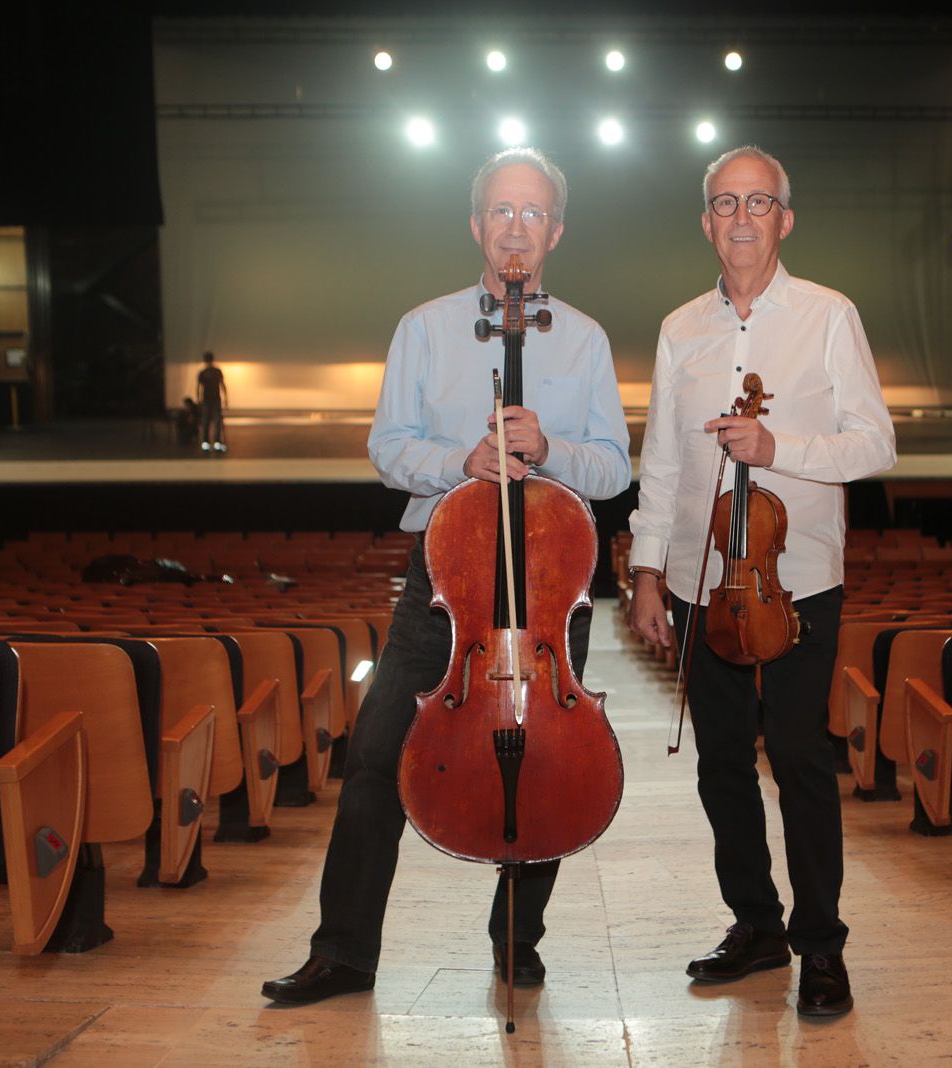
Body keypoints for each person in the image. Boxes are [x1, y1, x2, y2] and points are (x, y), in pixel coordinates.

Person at [262, 147, 631, 1005]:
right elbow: (388, 449)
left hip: (549, 588)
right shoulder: (424, 328)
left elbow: (612, 467)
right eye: (501, 211)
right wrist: (456, 461)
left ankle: (517, 939)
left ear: (557, 232)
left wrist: (556, 451)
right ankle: (344, 952)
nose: (515, 229)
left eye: (532, 214)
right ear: (476, 225)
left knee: (547, 761)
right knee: (376, 762)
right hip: (444, 585)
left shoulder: (584, 339)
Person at [625, 145, 896, 1017]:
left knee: (803, 764)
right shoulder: (681, 330)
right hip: (706, 584)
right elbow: (662, 461)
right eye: (724, 204)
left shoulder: (827, 316)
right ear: (706, 221)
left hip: (797, 583)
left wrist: (782, 451)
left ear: (786, 217)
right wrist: (645, 569)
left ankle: (822, 946)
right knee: (718, 770)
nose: (741, 219)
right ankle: (757, 924)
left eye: (758, 203)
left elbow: (875, 443)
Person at [196, 351, 228, 452]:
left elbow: (199, 387)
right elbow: (222, 385)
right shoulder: (215, 371)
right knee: (214, 421)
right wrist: (226, 398)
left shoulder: (205, 372)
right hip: (212, 399)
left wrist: (198, 399)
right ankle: (214, 442)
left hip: (210, 399)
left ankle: (208, 442)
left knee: (208, 421)